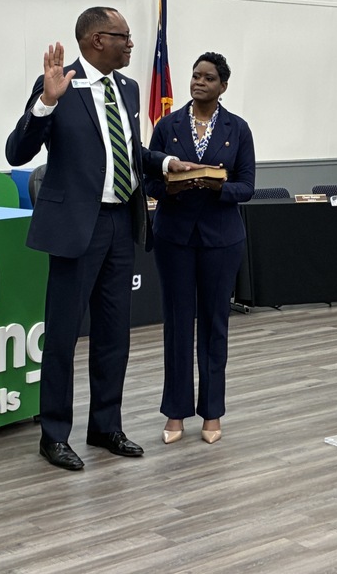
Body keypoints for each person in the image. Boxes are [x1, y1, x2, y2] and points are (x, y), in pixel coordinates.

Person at [6, 7, 193, 471]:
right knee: (65, 336)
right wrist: (45, 104)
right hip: (76, 228)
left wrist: (167, 164)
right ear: (95, 40)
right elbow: (17, 150)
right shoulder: (59, 84)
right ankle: (54, 434)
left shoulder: (126, 89)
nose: (131, 45)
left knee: (114, 335)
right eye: (123, 38)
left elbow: (129, 151)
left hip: (119, 224)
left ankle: (105, 425)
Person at [144, 52, 256, 445]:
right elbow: (150, 181)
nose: (199, 82)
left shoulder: (237, 129)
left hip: (221, 239)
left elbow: (247, 186)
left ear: (223, 86)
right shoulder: (168, 125)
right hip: (174, 237)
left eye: (208, 78)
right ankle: (175, 413)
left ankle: (212, 413)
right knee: (177, 324)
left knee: (214, 324)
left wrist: (216, 186)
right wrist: (174, 184)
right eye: (195, 76)